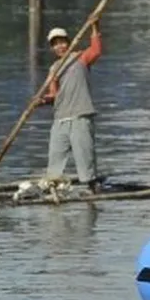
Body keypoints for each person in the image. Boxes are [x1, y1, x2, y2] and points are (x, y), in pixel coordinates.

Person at [40, 19, 103, 192]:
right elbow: (54, 95)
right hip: (60, 119)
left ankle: (92, 187)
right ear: (52, 48)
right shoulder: (54, 69)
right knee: (55, 158)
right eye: (55, 44)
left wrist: (94, 26)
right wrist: (42, 100)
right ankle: (53, 187)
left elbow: (96, 49)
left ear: (68, 42)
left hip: (80, 116)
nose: (59, 46)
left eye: (62, 42)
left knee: (85, 157)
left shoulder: (80, 58)